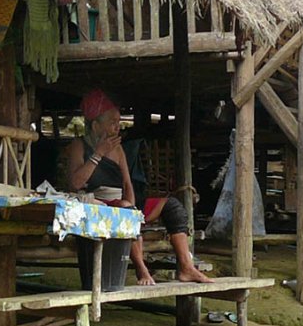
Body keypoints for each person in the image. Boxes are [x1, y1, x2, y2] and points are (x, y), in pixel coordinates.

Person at [64, 90, 211, 286]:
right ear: (96, 125)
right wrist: (98, 153)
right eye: (112, 122)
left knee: (173, 207)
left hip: (123, 203)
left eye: (119, 122)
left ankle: (186, 267)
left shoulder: (118, 148)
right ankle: (142, 271)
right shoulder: (79, 146)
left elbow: (127, 183)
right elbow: (75, 184)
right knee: (125, 209)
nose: (118, 127)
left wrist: (132, 211)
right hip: (96, 205)